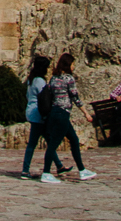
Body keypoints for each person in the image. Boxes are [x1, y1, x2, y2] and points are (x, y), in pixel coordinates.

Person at [39, 53, 97, 184]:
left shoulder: (54, 78)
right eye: (73, 64)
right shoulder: (68, 79)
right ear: (68, 65)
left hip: (54, 113)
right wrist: (86, 113)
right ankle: (46, 173)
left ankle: (82, 170)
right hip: (62, 114)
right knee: (53, 145)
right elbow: (75, 98)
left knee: (74, 140)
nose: (74, 66)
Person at [20, 55, 67, 179]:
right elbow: (45, 98)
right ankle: (25, 170)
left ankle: (59, 166)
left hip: (31, 111)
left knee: (49, 140)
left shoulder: (31, 79)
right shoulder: (40, 81)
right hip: (38, 115)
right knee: (33, 143)